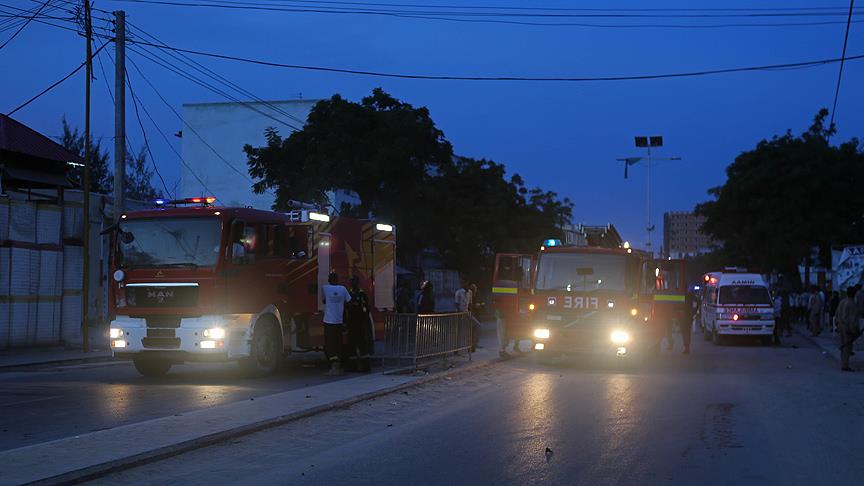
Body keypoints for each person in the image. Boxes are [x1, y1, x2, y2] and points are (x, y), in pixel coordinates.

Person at [321, 272, 352, 376]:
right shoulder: (343, 289)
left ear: (329, 280)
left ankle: (333, 367)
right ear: (337, 280)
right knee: (338, 343)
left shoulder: (325, 288)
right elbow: (349, 301)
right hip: (339, 321)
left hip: (328, 321)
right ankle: (338, 367)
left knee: (330, 344)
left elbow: (324, 301)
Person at [344, 276, 374, 372]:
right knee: (358, 345)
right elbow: (366, 309)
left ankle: (360, 366)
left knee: (357, 345)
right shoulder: (359, 294)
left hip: (356, 323)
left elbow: (365, 308)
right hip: (357, 323)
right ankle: (361, 366)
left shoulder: (355, 294)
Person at [836, 287, 861, 372]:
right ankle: (845, 365)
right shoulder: (852, 304)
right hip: (847, 327)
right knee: (847, 346)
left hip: (840, 326)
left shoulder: (842, 301)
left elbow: (837, 313)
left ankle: (843, 363)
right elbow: (852, 320)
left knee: (843, 345)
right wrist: (855, 330)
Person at [681, 289, 697, 354]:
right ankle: (687, 346)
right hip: (689, 317)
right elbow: (695, 307)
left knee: (685, 332)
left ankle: (686, 346)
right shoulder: (694, 299)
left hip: (685, 317)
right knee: (687, 332)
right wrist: (693, 314)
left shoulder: (685, 298)